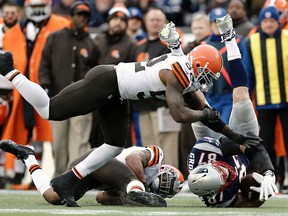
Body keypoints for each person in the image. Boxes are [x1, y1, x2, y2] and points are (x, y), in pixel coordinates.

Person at [0, 22, 259, 207]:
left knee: (114, 145)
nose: (206, 81)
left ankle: (68, 179)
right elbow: (180, 115)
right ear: (198, 66)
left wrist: (235, 136)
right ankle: (10, 71)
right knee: (49, 109)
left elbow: (209, 113)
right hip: (107, 80)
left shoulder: (187, 74)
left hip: (119, 94)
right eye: (206, 75)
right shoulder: (176, 74)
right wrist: (204, 116)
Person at [187, 14, 278, 207]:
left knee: (199, 102)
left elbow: (246, 144)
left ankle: (228, 38)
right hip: (242, 156)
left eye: (220, 171)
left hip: (219, 143)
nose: (224, 171)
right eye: (224, 174)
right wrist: (268, 173)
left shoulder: (203, 155)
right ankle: (228, 38)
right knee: (242, 97)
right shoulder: (224, 198)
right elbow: (254, 145)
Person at [1, 0, 70, 188]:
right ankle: (27, 178)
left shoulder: (62, 24)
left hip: (53, 86)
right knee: (30, 133)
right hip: (24, 88)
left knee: (56, 137)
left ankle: (62, 176)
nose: (38, 11)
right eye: (35, 7)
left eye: (41, 6)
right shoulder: (19, 29)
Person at [0, 140, 183, 207]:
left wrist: (123, 198)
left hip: (92, 175)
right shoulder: (155, 157)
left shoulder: (135, 186)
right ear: (165, 169)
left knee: (54, 197)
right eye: (168, 180)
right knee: (133, 183)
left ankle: (28, 156)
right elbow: (132, 160)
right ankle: (135, 191)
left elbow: (101, 198)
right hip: (98, 159)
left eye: (168, 189)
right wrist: (140, 185)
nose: (165, 185)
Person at [39, 1, 99, 177]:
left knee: (79, 142)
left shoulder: (92, 44)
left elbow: (97, 72)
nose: (82, 18)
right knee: (59, 142)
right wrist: (45, 86)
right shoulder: (55, 38)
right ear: (71, 16)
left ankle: (78, 178)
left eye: (85, 16)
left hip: (83, 100)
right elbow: (44, 65)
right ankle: (58, 177)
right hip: (58, 98)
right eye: (79, 14)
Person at [246, 6, 288, 193]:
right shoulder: (251, 42)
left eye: (272, 21)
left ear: (278, 23)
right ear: (260, 24)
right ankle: (272, 179)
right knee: (267, 143)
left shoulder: (287, 38)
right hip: (264, 101)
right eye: (265, 21)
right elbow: (248, 73)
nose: (269, 24)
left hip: (287, 99)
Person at [0, 1, 21, 188]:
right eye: (6, 12)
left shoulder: (23, 33)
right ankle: (1, 173)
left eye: (13, 12)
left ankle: (17, 174)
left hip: (18, 88)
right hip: (1, 88)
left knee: (20, 132)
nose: (9, 15)